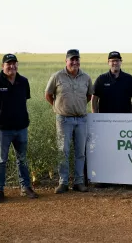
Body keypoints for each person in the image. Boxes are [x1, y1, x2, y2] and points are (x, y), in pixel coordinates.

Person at [0, 54, 38, 203]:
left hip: (21, 127)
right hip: (2, 129)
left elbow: (23, 101)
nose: (12, 66)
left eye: (14, 63)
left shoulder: (23, 81)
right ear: (2, 66)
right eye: (8, 64)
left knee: (22, 159)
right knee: (1, 160)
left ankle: (25, 187)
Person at [45, 49, 93, 194]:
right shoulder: (57, 76)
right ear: (66, 61)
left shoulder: (86, 77)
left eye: (77, 59)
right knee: (63, 151)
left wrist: (78, 106)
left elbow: (89, 96)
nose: (74, 62)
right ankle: (63, 182)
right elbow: (48, 95)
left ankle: (79, 182)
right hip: (63, 119)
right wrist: (57, 107)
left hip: (81, 119)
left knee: (80, 152)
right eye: (71, 59)